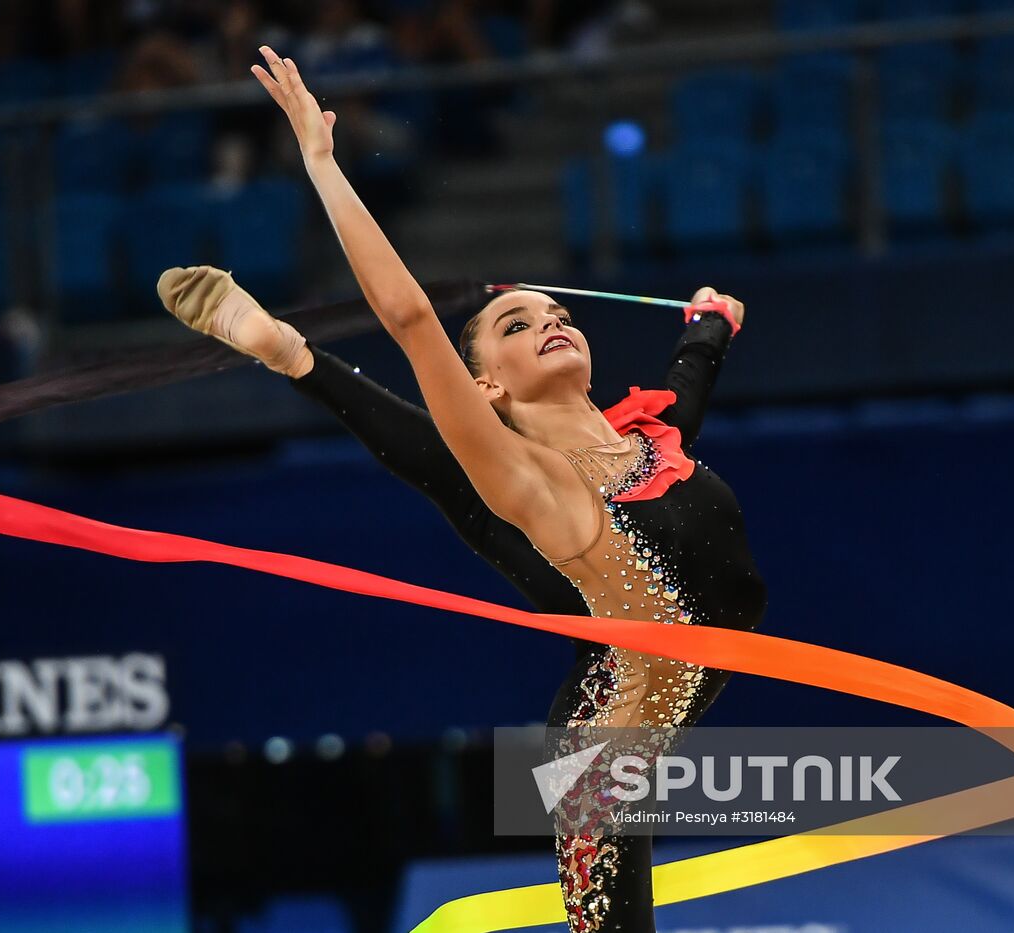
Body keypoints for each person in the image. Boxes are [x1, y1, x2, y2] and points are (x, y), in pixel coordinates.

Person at [160, 45, 768, 933]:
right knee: (456, 472)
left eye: (556, 314)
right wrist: (325, 164)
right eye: (517, 324)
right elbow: (409, 319)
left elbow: (688, 383)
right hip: (602, 746)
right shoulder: (537, 479)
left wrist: (711, 323)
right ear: (489, 382)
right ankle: (284, 348)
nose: (551, 322)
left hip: (665, 680)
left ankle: (285, 349)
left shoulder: (647, 434)